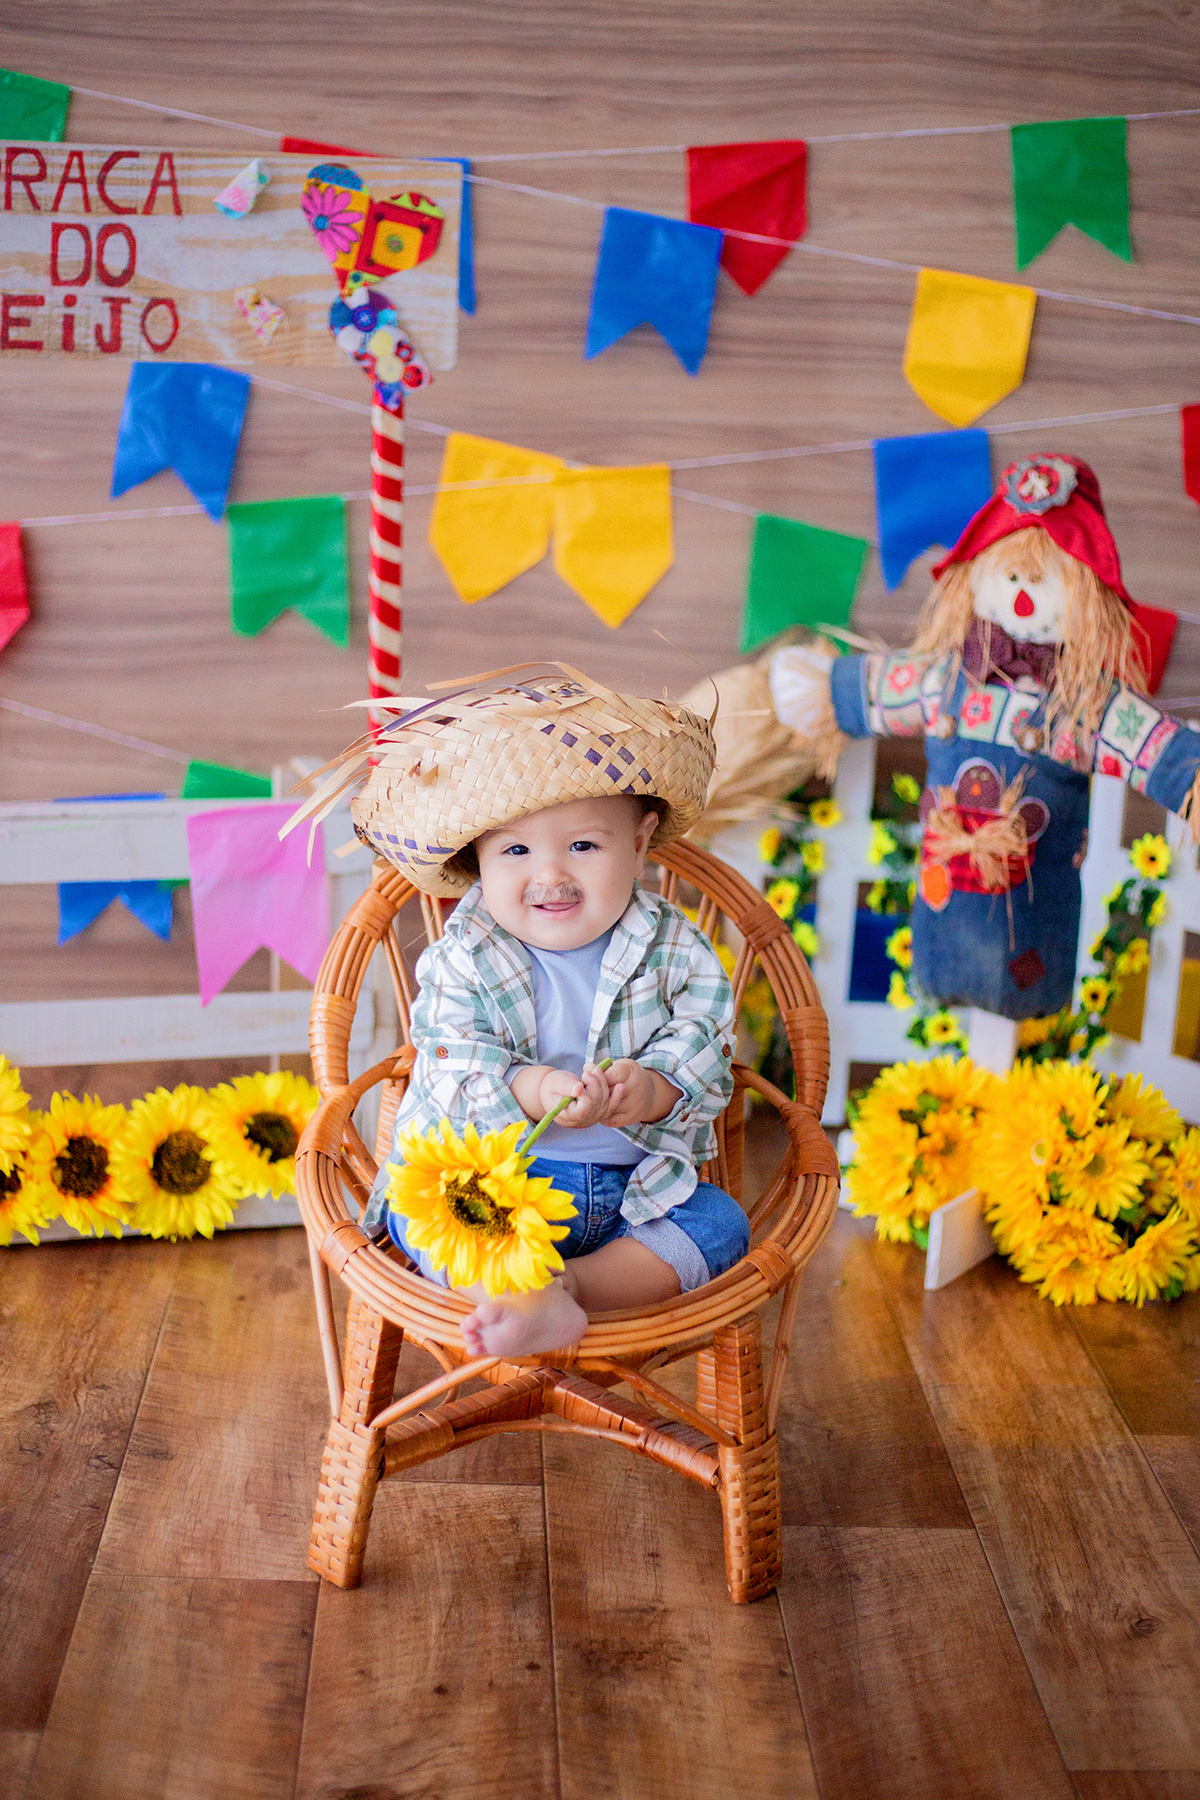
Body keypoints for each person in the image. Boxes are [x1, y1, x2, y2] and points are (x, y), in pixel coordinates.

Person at [350, 670, 750, 1357]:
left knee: (720, 1226)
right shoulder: (464, 954)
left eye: (584, 846)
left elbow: (706, 1048)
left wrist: (650, 1089)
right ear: (477, 857)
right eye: (515, 850)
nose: (551, 875)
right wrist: (531, 1089)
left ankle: (569, 1290)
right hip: (495, 1187)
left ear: (641, 839)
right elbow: (451, 1061)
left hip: (636, 1190)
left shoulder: (675, 946)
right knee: (427, 1216)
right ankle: (514, 1287)